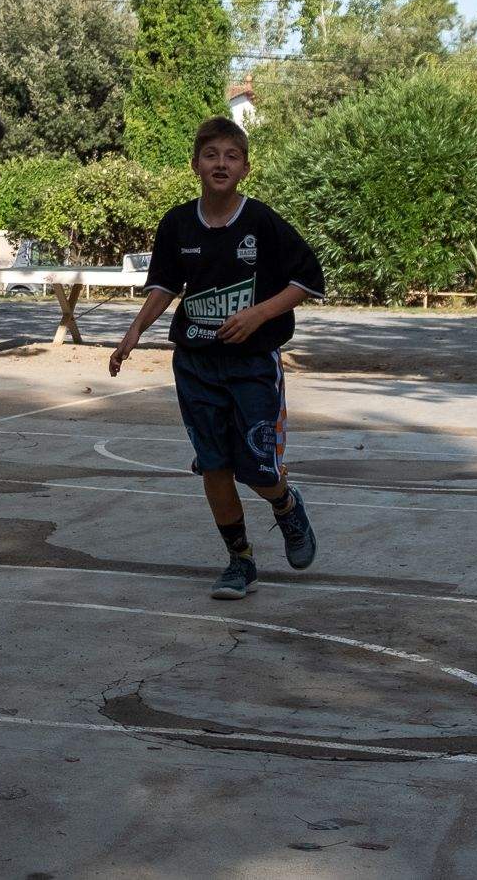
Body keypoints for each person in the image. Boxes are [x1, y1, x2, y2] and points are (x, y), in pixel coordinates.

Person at [109, 116, 325, 599]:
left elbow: (307, 279)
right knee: (214, 465)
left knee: (258, 468)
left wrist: (259, 314)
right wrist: (134, 330)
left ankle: (287, 506)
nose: (220, 163)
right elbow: (165, 285)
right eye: (211, 155)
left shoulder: (262, 222)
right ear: (196, 165)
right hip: (196, 363)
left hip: (251, 364)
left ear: (245, 168)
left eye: (231, 155)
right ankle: (240, 561)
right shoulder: (178, 223)